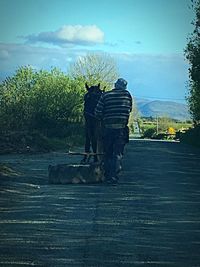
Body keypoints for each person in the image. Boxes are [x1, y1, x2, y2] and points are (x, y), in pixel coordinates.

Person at [95, 78, 132, 184]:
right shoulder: (127, 95)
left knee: (108, 152)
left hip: (108, 128)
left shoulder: (106, 95)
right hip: (121, 129)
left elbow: (97, 112)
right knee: (118, 153)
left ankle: (107, 175)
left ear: (115, 85)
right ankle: (114, 175)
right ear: (124, 87)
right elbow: (129, 109)